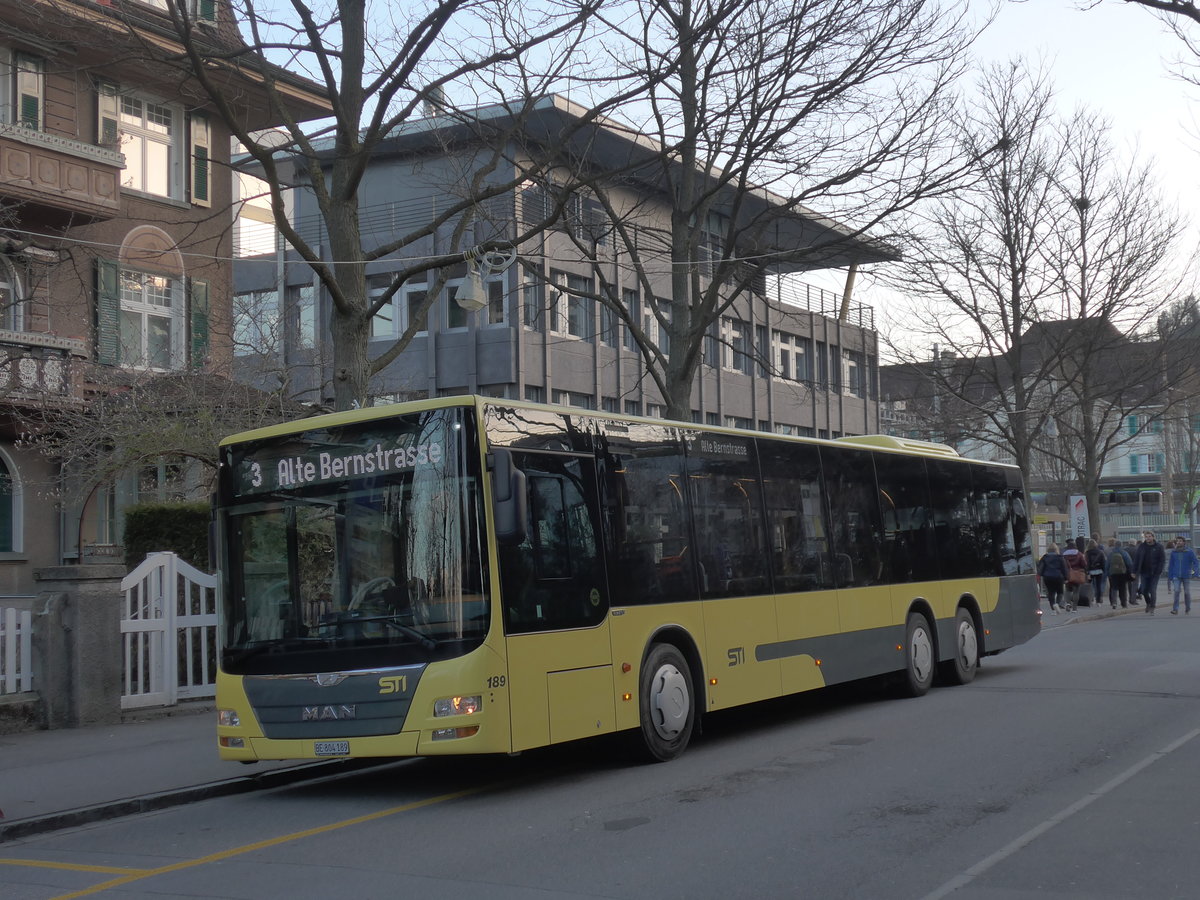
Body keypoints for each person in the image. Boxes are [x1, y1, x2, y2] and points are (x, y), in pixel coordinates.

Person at [1133, 531, 1166, 615]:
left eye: (1149, 536)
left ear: (1153, 537)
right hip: (1144, 572)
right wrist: (1134, 571)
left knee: (1152, 590)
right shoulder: (1141, 546)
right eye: (1146, 537)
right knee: (1144, 590)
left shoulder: (1159, 546)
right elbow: (1136, 559)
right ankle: (1148, 603)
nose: (1148, 538)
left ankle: (1152, 607)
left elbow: (1162, 560)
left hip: (1155, 573)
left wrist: (1159, 570)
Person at [1167, 535, 1200, 615]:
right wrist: (1170, 576)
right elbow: (1171, 565)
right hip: (1176, 575)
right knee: (1177, 591)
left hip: (1186, 575)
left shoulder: (1189, 551)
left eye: (1180, 541)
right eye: (1177, 541)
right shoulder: (1173, 552)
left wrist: (1194, 572)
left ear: (1184, 542)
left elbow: (1196, 562)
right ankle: (1175, 609)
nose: (1178, 542)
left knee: (1186, 592)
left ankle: (1187, 608)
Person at [1037, 542, 1070, 614]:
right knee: (1060, 592)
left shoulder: (1044, 557)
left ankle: (1053, 608)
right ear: (1056, 549)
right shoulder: (1060, 557)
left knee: (1050, 592)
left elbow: (1040, 567)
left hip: (1047, 577)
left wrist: (1041, 574)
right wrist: (1066, 578)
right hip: (1058, 577)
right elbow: (1064, 568)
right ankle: (1057, 604)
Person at [1106, 538, 1135, 609]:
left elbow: (1107, 564)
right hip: (1123, 573)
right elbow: (1129, 563)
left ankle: (1114, 602)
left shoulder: (1111, 553)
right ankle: (1124, 603)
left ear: (1115, 545)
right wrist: (1131, 572)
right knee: (1123, 588)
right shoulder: (1124, 553)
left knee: (1114, 588)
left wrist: (1107, 574)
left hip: (1113, 573)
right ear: (1121, 545)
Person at [1063, 537, 1088, 609]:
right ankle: (1074, 607)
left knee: (1067, 590)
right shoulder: (1079, 554)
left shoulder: (1064, 555)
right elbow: (1084, 564)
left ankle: (1068, 603)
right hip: (1077, 574)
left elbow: (1062, 564)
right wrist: (1086, 572)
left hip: (1068, 574)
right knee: (1076, 591)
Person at [1085, 539, 1107, 609]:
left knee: (1090, 586)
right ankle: (1098, 601)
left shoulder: (1087, 553)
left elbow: (1087, 563)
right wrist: (1104, 570)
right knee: (1098, 586)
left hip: (1090, 571)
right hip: (1099, 571)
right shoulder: (1100, 552)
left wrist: (1087, 572)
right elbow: (1103, 562)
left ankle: (1091, 599)